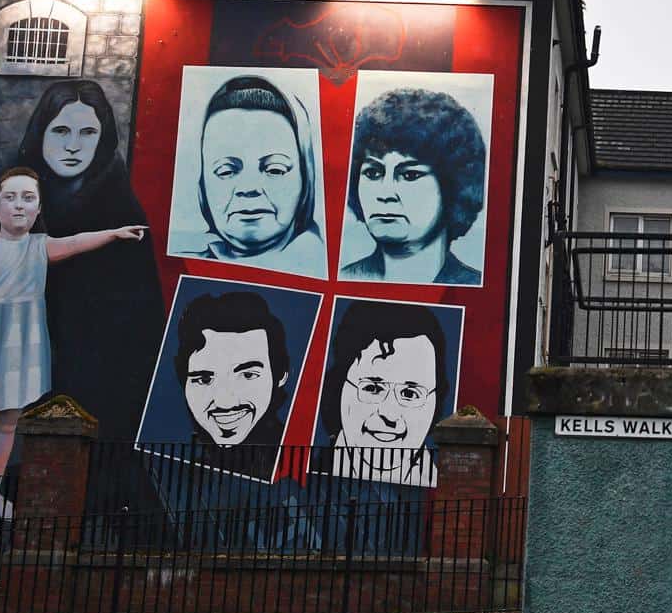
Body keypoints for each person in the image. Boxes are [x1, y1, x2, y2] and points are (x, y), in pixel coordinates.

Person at [0, 165, 147, 533]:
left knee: (7, 422)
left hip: (25, 337)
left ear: (38, 208)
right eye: (11, 197)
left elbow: (77, 241)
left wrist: (114, 234)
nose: (19, 206)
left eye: (28, 198)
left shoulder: (40, 246)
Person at [15, 80, 163, 447]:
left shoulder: (120, 207)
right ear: (41, 131)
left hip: (97, 382)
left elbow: (139, 319)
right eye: (61, 130)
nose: (73, 146)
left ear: (102, 138)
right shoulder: (16, 195)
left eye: (88, 132)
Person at [179, 75, 325, 275]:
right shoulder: (181, 267)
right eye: (226, 171)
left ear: (306, 178)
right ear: (202, 182)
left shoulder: (321, 268)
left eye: (275, 169)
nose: (248, 188)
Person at [341, 87, 486, 286]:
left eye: (410, 175)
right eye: (373, 173)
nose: (386, 194)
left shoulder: (471, 287)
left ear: (453, 187)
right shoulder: (345, 278)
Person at [318, 300, 452, 487]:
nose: (390, 414)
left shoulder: (444, 492)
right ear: (340, 388)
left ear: (435, 401)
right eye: (372, 388)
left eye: (410, 393)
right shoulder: (307, 475)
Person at [169, 290, 293, 477]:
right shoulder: (180, 467)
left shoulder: (292, 459)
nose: (225, 402)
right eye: (204, 379)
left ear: (281, 376)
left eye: (248, 375)